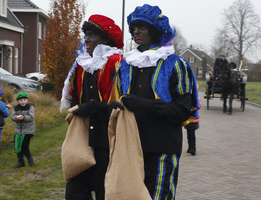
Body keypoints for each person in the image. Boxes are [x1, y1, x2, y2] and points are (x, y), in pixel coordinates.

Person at [117, 4, 199, 199]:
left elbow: (182, 110)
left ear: (154, 30)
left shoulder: (175, 64)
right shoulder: (126, 65)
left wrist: (144, 104)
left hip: (162, 147)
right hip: (132, 147)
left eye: (142, 27)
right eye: (134, 27)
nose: (137, 31)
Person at [60, 14, 124, 200]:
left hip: (107, 138)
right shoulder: (82, 63)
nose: (87, 39)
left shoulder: (115, 62)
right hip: (83, 137)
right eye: (86, 34)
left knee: (105, 190)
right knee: (75, 191)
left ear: (105, 38)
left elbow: (120, 103)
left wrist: (93, 108)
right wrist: (76, 107)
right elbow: (74, 95)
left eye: (92, 35)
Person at [10, 92, 35, 168]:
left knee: (24, 147)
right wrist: (16, 118)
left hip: (27, 131)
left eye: (24, 100)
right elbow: (12, 117)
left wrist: (23, 117)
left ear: (27, 100)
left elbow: (31, 117)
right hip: (18, 131)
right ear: (18, 101)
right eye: (21, 100)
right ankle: (21, 162)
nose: (23, 101)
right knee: (17, 147)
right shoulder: (15, 108)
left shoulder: (30, 107)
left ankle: (30, 160)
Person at [185, 84, 201, 156]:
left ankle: (192, 148)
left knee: (191, 134)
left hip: (192, 118)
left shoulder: (195, 98)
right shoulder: (191, 98)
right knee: (189, 133)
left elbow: (198, 106)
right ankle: (190, 147)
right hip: (189, 119)